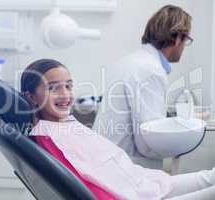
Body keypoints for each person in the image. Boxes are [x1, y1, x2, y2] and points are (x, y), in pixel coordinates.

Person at [21, 58, 215, 200]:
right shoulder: (51, 138)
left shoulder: (63, 126)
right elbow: (85, 190)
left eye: (69, 86)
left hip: (145, 185)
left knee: (210, 177)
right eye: (54, 88)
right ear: (31, 97)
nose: (65, 95)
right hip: (136, 195)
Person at [94, 5, 194, 169]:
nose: (184, 47)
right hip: (125, 169)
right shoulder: (150, 71)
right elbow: (149, 143)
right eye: (186, 40)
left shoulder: (130, 62)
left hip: (108, 163)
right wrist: (185, 143)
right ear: (178, 38)